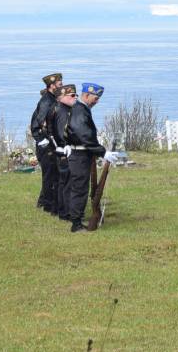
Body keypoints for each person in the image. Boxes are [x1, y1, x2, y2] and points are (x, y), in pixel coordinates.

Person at [61, 83, 120, 232]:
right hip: (80, 154)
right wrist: (102, 152)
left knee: (80, 187)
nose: (97, 101)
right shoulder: (80, 110)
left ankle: (76, 219)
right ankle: (76, 224)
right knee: (80, 189)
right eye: (95, 98)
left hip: (82, 153)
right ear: (86, 95)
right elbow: (84, 135)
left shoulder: (80, 109)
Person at [30, 72, 63, 214]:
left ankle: (44, 201)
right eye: (60, 85)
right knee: (50, 175)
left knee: (53, 174)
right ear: (52, 86)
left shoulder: (53, 99)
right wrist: (43, 141)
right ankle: (47, 205)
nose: (62, 87)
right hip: (47, 146)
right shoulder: (46, 102)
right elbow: (37, 124)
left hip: (52, 143)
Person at [49, 84, 77, 220]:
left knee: (63, 182)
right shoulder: (63, 112)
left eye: (76, 95)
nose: (75, 98)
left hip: (62, 151)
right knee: (68, 183)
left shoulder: (65, 109)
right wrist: (67, 145)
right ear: (62, 97)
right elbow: (62, 132)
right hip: (65, 152)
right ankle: (67, 213)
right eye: (72, 96)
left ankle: (62, 211)